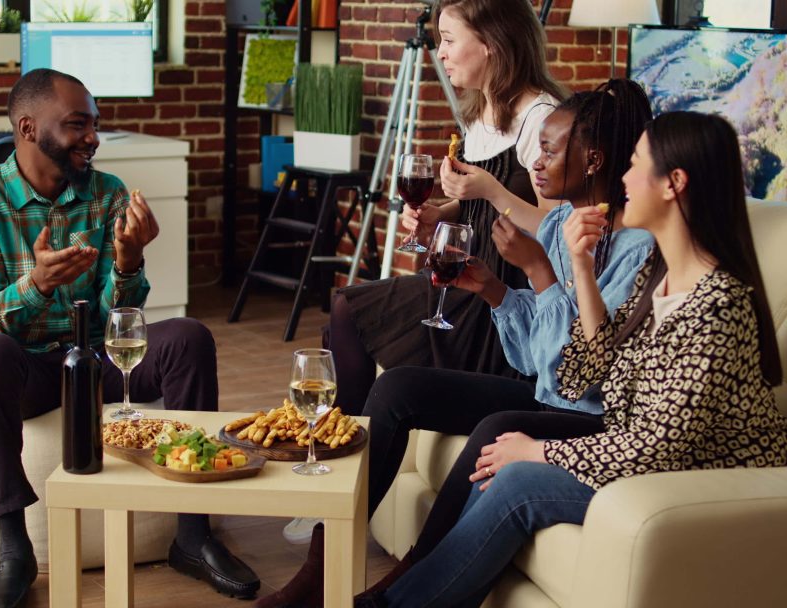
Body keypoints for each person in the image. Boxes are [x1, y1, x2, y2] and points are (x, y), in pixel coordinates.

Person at [357, 111, 787, 607]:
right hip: (648, 456)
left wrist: (540, 451)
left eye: (636, 165)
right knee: (503, 464)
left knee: (517, 475)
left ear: (674, 184)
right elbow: (581, 372)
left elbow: (659, 447)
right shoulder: (661, 277)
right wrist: (581, 270)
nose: (625, 179)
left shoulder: (716, 305)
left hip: (695, 480)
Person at [259, 78, 656, 607]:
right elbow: (533, 357)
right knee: (399, 389)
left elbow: (579, 372)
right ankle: (320, 564)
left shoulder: (636, 251)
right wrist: (493, 290)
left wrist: (538, 270)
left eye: (550, 150)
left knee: (498, 424)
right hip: (549, 393)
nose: (536, 163)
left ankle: (409, 579)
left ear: (593, 160)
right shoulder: (562, 220)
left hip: (589, 411)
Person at [0, 68, 259, 608]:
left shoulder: (107, 193)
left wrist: (130, 260)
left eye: (95, 124)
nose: (92, 137)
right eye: (77, 125)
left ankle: (193, 534)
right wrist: (38, 283)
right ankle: (14, 547)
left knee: (187, 336)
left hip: (98, 357)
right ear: (27, 127)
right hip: (31, 368)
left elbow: (125, 318)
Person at [324, 0, 566, 415]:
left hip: (503, 290)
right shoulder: (479, 111)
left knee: (349, 310)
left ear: (491, 43)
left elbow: (557, 229)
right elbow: (483, 199)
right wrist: (443, 211)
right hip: (470, 271)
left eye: (450, 40)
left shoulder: (541, 118)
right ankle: (348, 438)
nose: (441, 53)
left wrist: (490, 190)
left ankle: (348, 443)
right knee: (343, 313)